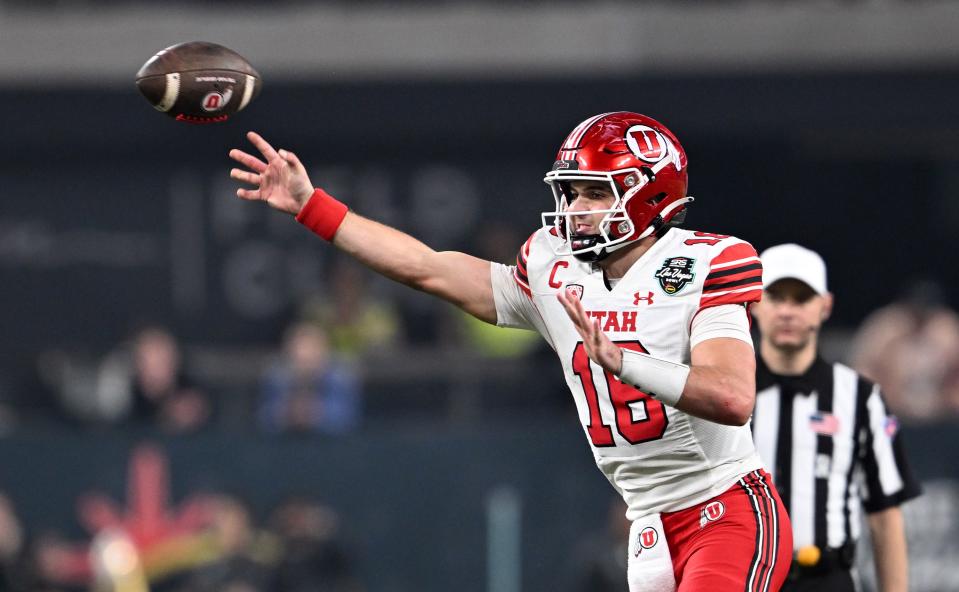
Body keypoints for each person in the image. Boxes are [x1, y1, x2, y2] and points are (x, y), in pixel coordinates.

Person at [229, 111, 792, 591]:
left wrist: (625, 362)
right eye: (572, 191)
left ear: (651, 194)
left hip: (725, 506)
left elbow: (732, 396)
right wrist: (313, 207)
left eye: (597, 191)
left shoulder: (709, 261)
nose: (576, 208)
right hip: (646, 522)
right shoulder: (554, 265)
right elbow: (429, 268)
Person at [750, 243, 922, 592]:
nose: (787, 311)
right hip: (745, 578)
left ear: (824, 306)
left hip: (827, 580)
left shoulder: (860, 398)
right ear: (754, 304)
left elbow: (885, 514)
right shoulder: (722, 392)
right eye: (776, 297)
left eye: (801, 299)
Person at [849, 280, 959, 422]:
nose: (919, 318)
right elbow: (861, 369)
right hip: (891, 412)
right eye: (916, 312)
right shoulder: (886, 326)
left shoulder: (946, 328)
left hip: (940, 413)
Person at [257, 321, 361, 435]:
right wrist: (287, 413)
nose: (304, 357)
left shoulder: (341, 376)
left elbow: (348, 417)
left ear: (323, 350)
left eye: (311, 350)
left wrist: (315, 413)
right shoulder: (277, 377)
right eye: (298, 351)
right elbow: (265, 416)